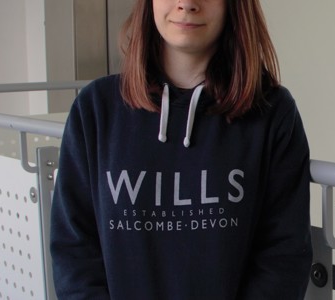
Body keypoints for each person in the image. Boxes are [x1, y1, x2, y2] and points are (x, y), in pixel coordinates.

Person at [50, 0, 312, 298]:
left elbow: (283, 256)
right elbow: (74, 250)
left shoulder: (272, 112)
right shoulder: (95, 109)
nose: (186, 4)